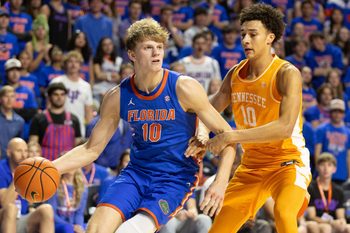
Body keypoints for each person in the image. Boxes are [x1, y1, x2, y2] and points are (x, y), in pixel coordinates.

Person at [52, 18, 235, 233]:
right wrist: (52, 168)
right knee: (95, 229)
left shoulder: (183, 87)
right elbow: (90, 149)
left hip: (174, 177)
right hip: (136, 172)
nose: (156, 53)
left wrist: (220, 182)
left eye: (159, 47)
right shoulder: (117, 96)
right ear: (132, 54)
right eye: (148, 47)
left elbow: (228, 135)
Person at [188, 4, 312, 233]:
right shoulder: (235, 74)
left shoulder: (287, 73)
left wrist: (230, 136)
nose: (245, 40)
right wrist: (201, 134)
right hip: (252, 167)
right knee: (219, 229)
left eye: (253, 34)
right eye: (243, 33)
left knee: (283, 213)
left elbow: (284, 128)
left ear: (270, 38)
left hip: (288, 162)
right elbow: (206, 109)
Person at [0, 137, 55, 233]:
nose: (24, 155)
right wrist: (20, 175)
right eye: (19, 151)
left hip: (22, 216)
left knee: (47, 209)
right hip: (4, 216)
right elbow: (4, 203)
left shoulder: (29, 169)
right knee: (11, 208)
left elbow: (32, 200)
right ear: (9, 152)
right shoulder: (2, 168)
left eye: (26, 151)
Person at [29, 82, 81, 160]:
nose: (59, 97)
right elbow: (33, 146)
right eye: (56, 94)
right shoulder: (39, 119)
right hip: (45, 165)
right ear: (49, 97)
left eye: (62, 94)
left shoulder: (74, 119)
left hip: (68, 167)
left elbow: (78, 147)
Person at [307, 152, 350, 233]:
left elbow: (340, 216)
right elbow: (311, 216)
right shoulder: (311, 187)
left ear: (334, 169)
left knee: (348, 227)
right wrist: (329, 222)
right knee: (326, 228)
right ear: (317, 167)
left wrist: (341, 221)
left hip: (333, 223)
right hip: (318, 223)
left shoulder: (338, 190)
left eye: (329, 165)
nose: (326, 168)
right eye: (322, 165)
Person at [315, 99, 350, 183]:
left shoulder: (348, 132)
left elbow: (348, 156)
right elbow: (317, 153)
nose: (337, 114)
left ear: (344, 114)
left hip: (342, 176)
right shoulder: (321, 129)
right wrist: (319, 170)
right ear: (330, 112)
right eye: (335, 111)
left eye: (340, 111)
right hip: (323, 175)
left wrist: (349, 175)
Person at [0, 85, 24, 158]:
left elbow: (19, 144)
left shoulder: (20, 121)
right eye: (6, 96)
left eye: (12, 96)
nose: (9, 100)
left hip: (11, 161)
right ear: (0, 98)